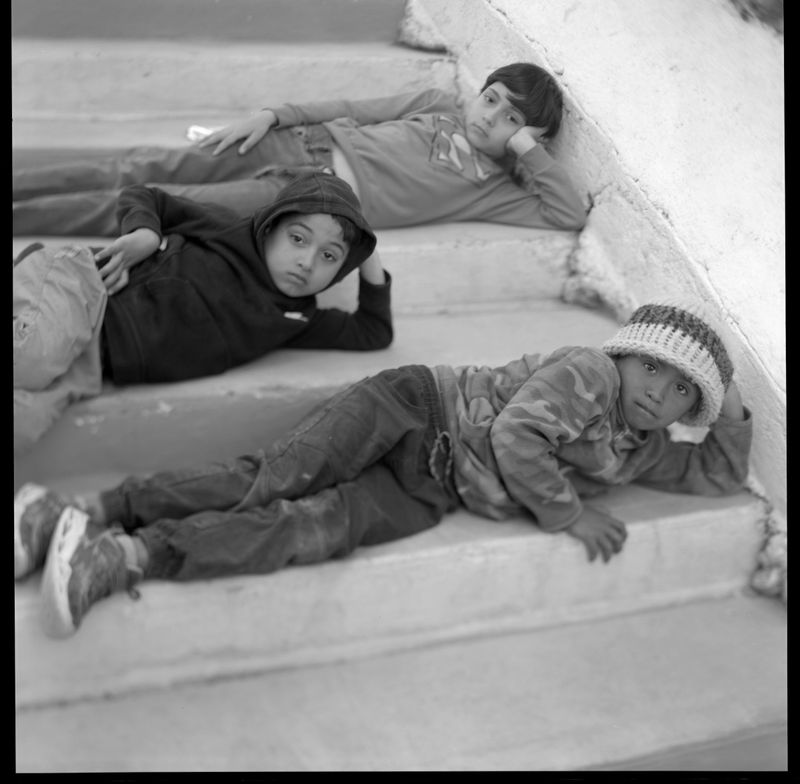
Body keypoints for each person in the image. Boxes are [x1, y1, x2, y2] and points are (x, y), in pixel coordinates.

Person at [14, 299, 751, 639]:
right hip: (417, 409)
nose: (660, 392)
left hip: (433, 487)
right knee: (274, 477)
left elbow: (716, 475)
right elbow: (519, 435)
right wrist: (568, 513)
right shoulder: (589, 371)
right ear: (624, 354)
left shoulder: (642, 447)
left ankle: (124, 557)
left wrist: (729, 406)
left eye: (682, 391)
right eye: (652, 368)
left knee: (312, 530)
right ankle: (86, 511)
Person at [13, 171, 391, 453]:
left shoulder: (298, 320)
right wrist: (145, 234)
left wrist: (367, 254)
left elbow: (374, 332)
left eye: (329, 257)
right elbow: (144, 195)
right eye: (297, 239)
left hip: (94, 366)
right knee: (31, 356)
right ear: (270, 226)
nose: (307, 262)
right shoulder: (226, 228)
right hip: (82, 291)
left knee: (23, 425)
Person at [13, 62, 588, 237]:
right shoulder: (437, 103)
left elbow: (566, 214)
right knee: (143, 164)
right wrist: (272, 114)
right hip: (295, 140)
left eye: (511, 119)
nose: (489, 117)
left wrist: (527, 153)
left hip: (307, 194)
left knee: (158, 197)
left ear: (531, 137)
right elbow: (353, 107)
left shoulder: (495, 190)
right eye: (490, 99)